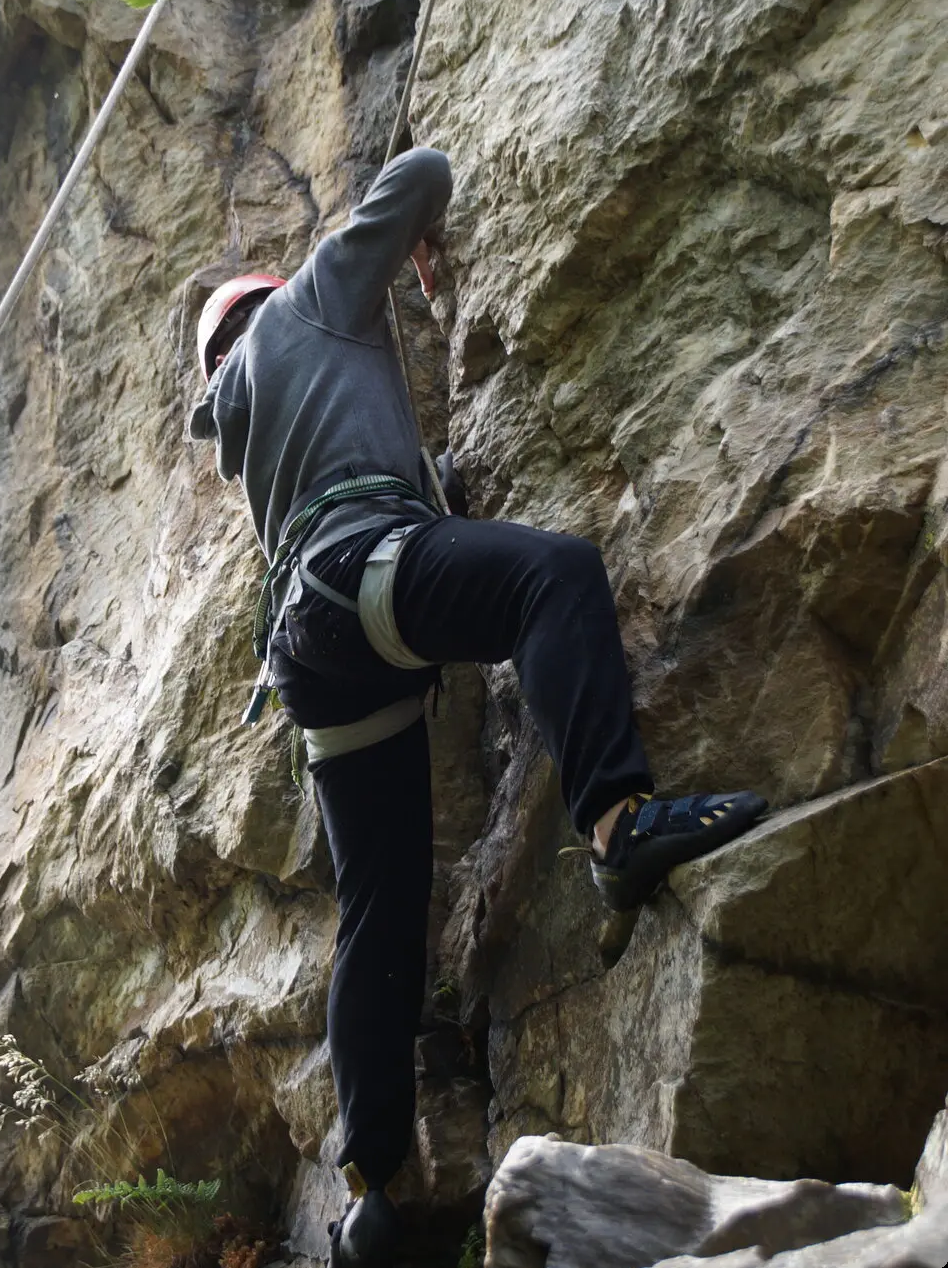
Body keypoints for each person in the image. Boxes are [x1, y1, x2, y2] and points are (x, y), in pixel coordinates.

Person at [187, 148, 767, 1268]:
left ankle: (370, 1187)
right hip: (369, 573)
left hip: (314, 649)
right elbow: (424, 169)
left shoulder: (244, 422)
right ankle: (619, 824)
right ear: (269, 298)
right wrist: (408, 242)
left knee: (379, 902)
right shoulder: (306, 304)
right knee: (554, 575)